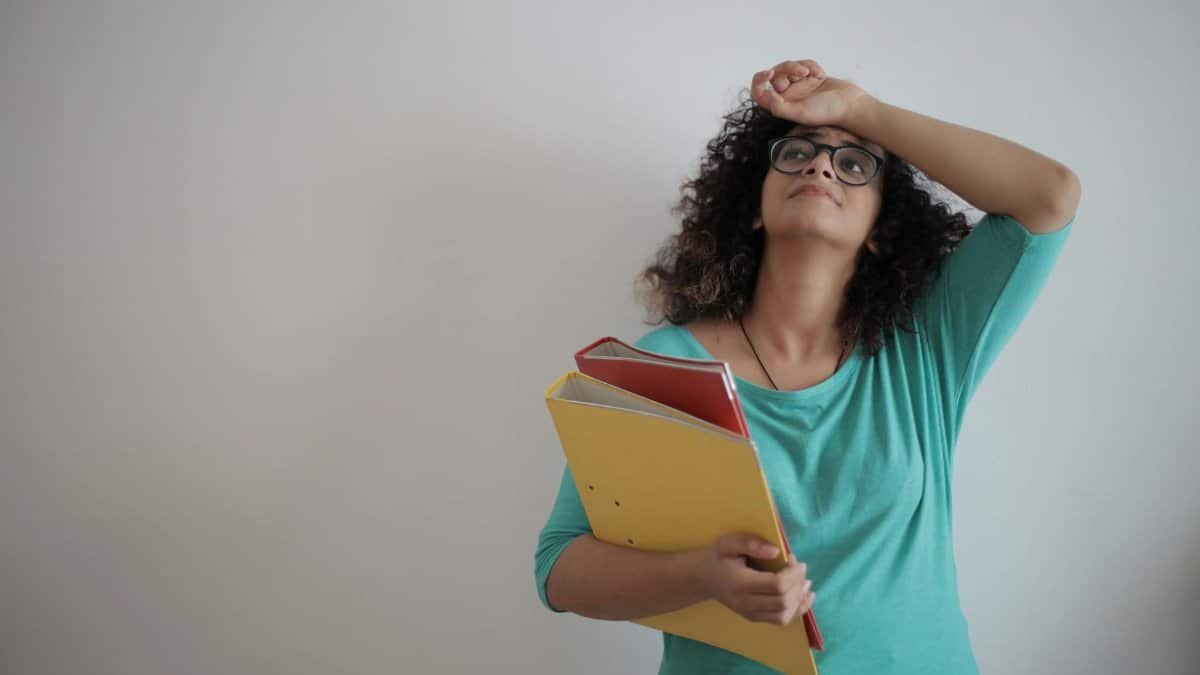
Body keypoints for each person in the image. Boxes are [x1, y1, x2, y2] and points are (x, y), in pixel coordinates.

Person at [534, 58, 1080, 674]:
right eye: (796, 154)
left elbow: (1049, 196)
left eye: (853, 164)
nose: (822, 165)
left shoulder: (925, 346)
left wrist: (858, 110)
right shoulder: (661, 366)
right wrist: (701, 577)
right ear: (754, 208)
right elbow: (559, 568)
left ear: (880, 227)